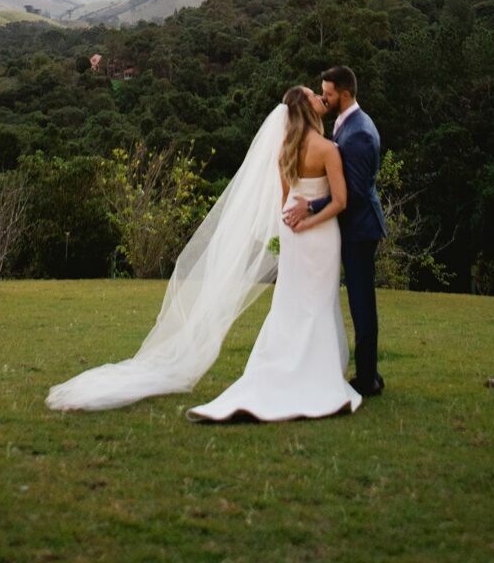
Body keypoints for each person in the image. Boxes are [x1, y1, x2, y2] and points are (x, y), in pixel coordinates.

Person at [45, 87, 363, 420]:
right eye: (313, 94)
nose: (318, 96)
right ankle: (315, 375)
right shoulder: (328, 149)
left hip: (293, 231)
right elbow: (340, 201)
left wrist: (297, 218)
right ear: (305, 108)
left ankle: (290, 367)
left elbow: (286, 202)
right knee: (316, 302)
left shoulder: (285, 149)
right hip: (320, 235)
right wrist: (312, 215)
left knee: (294, 301)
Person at [283, 64, 386, 397]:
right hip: (340, 227)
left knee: (361, 304)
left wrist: (310, 207)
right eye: (319, 93)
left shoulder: (358, 133)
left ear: (344, 94)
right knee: (342, 301)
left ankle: (367, 377)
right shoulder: (344, 125)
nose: (323, 99)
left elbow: (351, 195)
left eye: (327, 94)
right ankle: (356, 370)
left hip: (358, 229)